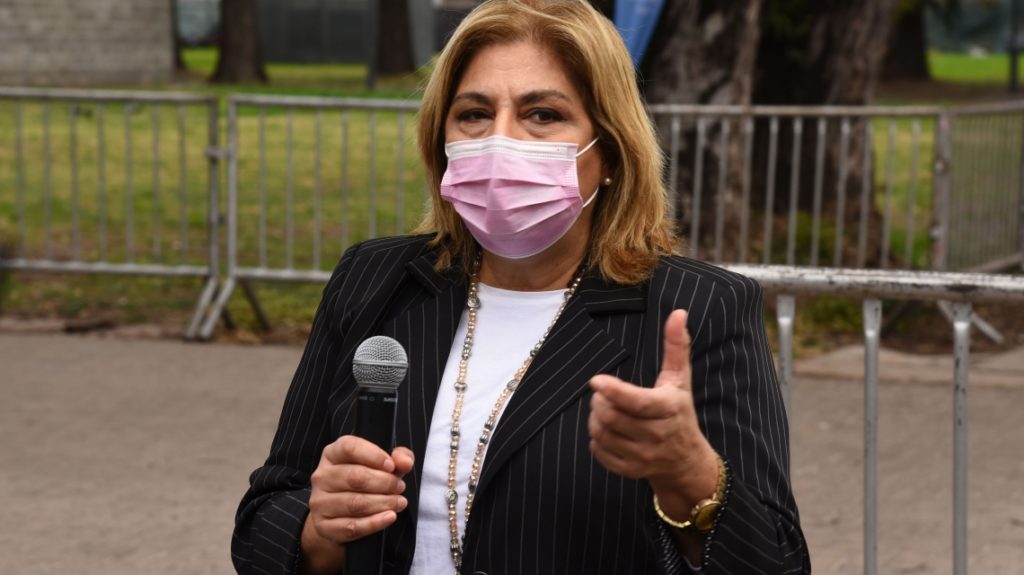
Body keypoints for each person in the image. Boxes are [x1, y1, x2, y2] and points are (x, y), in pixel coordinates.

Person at [232, 1, 810, 573]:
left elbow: (777, 561)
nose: (499, 140)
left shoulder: (699, 309)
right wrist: (319, 530)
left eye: (543, 114)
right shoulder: (375, 280)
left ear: (610, 150)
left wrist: (690, 475)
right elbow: (264, 523)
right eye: (474, 114)